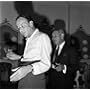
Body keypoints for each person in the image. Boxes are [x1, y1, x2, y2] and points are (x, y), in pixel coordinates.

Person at [6, 15, 52, 89]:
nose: (20, 30)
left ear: (31, 23)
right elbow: (33, 57)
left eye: (23, 26)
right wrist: (18, 57)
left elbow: (46, 64)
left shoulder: (42, 37)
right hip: (25, 77)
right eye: (19, 28)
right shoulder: (28, 39)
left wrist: (28, 68)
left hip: (34, 79)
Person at [47, 19, 79, 89]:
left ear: (62, 36)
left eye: (55, 36)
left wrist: (64, 67)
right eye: (52, 37)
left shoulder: (71, 50)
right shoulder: (51, 49)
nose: (53, 39)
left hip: (64, 84)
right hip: (51, 84)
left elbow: (75, 67)